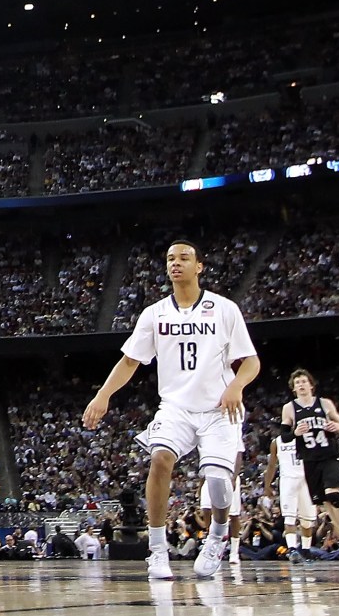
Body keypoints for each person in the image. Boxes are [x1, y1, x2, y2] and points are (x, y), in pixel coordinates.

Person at [82, 240, 259, 581]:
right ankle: (158, 550)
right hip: (176, 407)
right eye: (170, 259)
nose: (175, 263)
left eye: (184, 258)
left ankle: (218, 535)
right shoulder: (155, 313)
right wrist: (103, 395)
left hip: (218, 410)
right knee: (160, 458)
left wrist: (236, 386)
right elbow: (130, 361)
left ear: (199, 266)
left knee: (218, 481)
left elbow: (251, 362)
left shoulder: (224, 309)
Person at [281, 368, 339, 544]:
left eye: (304, 381)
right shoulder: (289, 408)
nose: (301, 385)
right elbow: (284, 437)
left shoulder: (325, 404)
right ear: (293, 388)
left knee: (334, 495)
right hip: (309, 459)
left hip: (329, 455)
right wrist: (295, 432)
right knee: (324, 501)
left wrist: (337, 427)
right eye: (297, 383)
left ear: (311, 385)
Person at [263, 422, 316, 562]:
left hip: (306, 480)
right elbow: (272, 465)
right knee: (289, 517)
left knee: (307, 520)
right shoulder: (277, 442)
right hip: (288, 480)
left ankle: (306, 550)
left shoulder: (308, 436)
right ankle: (292, 550)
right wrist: (267, 485)